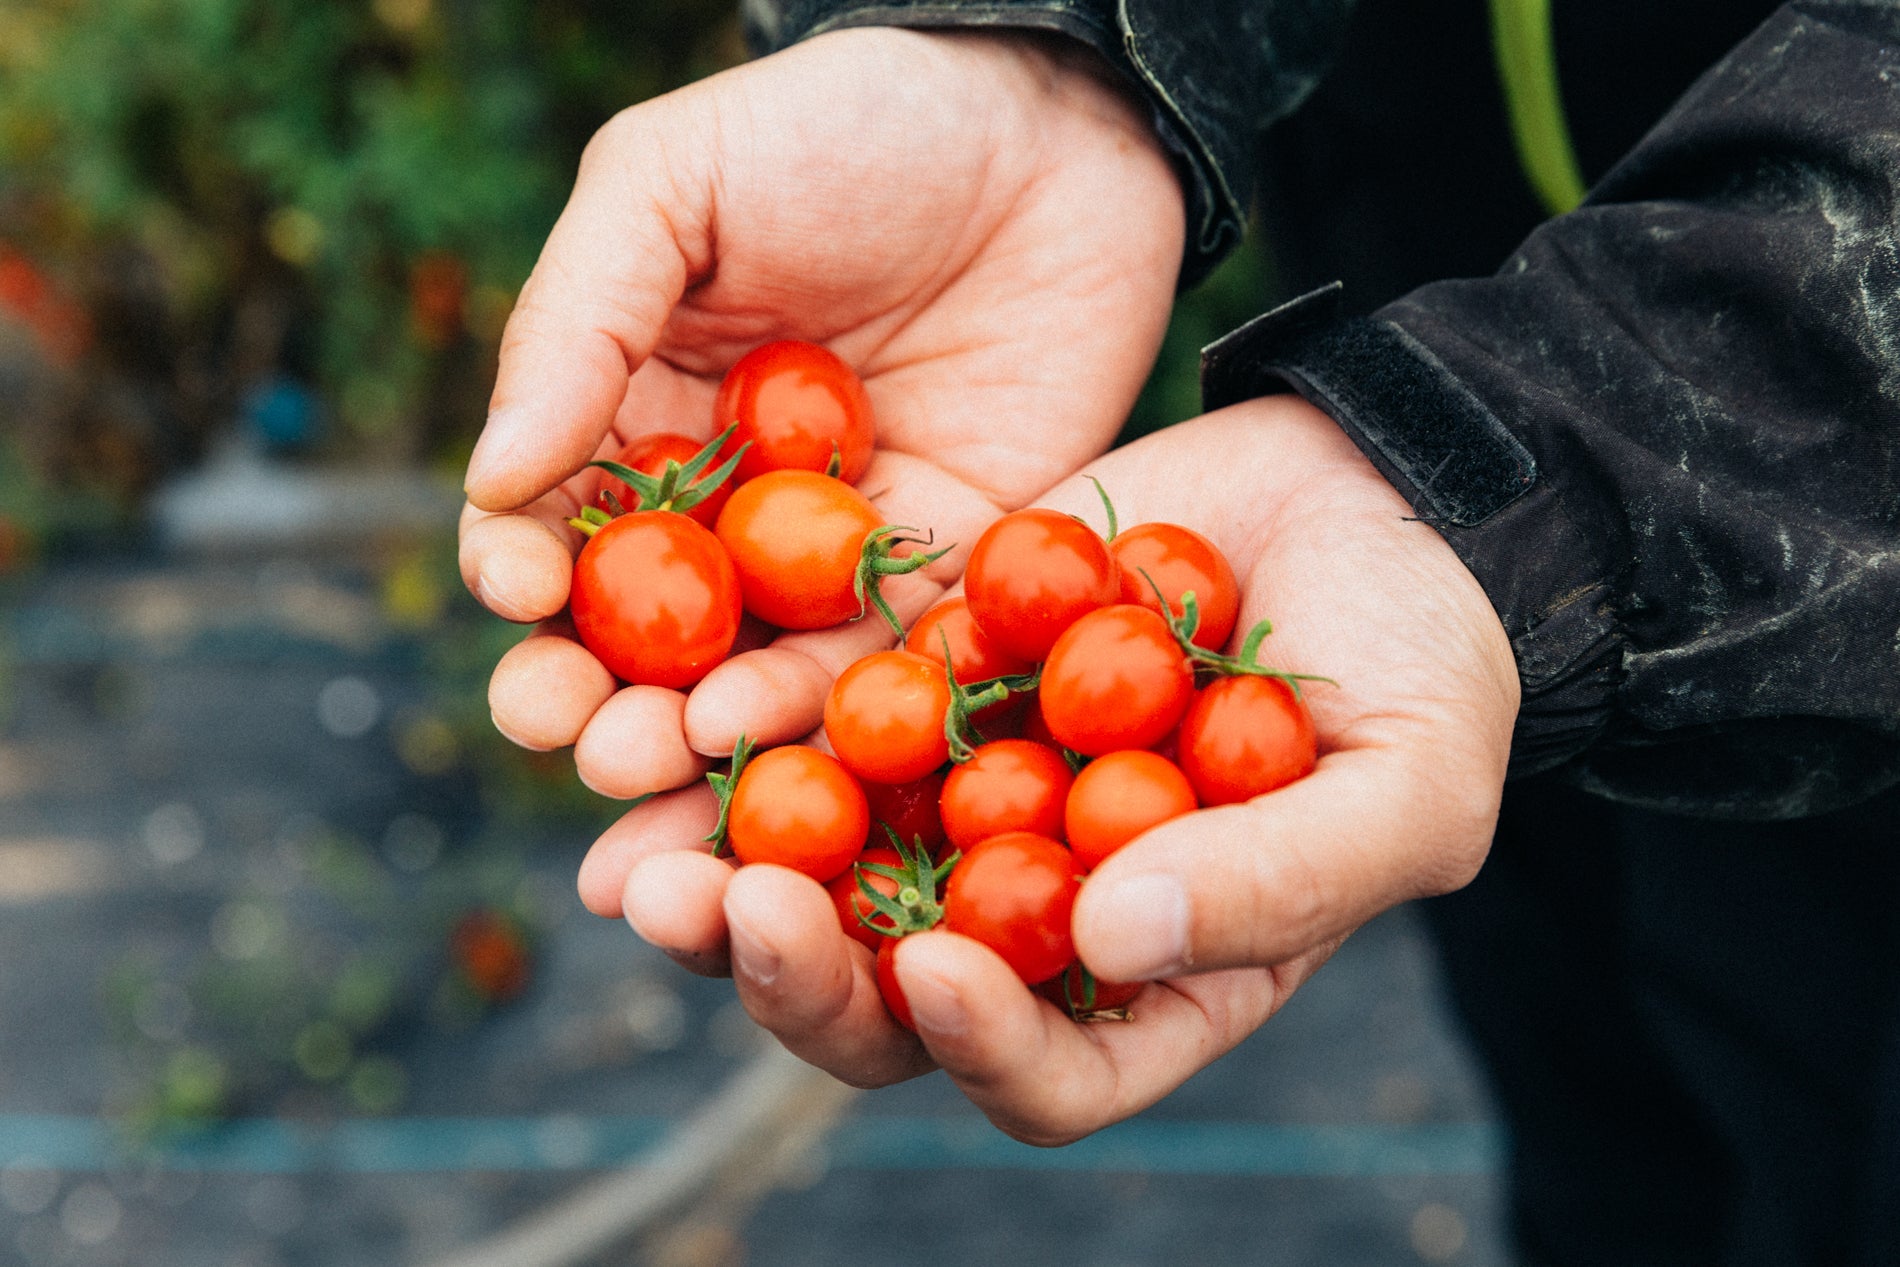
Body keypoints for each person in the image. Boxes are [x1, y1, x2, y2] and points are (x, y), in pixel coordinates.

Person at [457, 2, 1900, 1261]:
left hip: (1834, 597)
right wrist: (1038, 40)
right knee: (1593, 1124)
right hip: (1437, 341)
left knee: (1831, 1129)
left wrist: (1570, 475)